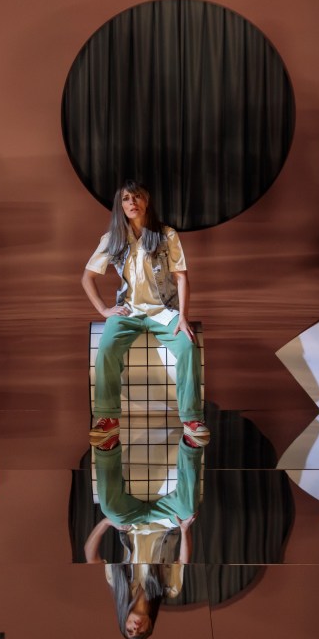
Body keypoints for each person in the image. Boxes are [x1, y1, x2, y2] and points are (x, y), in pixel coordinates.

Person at [80, 179, 210, 451]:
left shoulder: (166, 235)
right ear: (121, 205)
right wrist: (104, 310)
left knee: (188, 346)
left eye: (137, 197)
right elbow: (87, 277)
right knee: (106, 348)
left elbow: (182, 278)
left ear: (146, 201)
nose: (132, 203)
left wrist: (183, 317)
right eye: (126, 199)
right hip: (128, 311)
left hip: (163, 311)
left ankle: (191, 420)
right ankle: (108, 419)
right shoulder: (113, 238)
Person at [83, 434, 203, 639]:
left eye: (129, 629)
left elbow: (90, 556)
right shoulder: (169, 590)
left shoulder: (118, 583)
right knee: (188, 509)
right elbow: (183, 560)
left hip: (133, 524)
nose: (136, 627)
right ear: (150, 625)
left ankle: (107, 447)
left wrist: (106, 523)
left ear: (124, 620)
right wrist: (184, 530)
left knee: (109, 509)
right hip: (166, 525)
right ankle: (191, 444)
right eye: (141, 631)